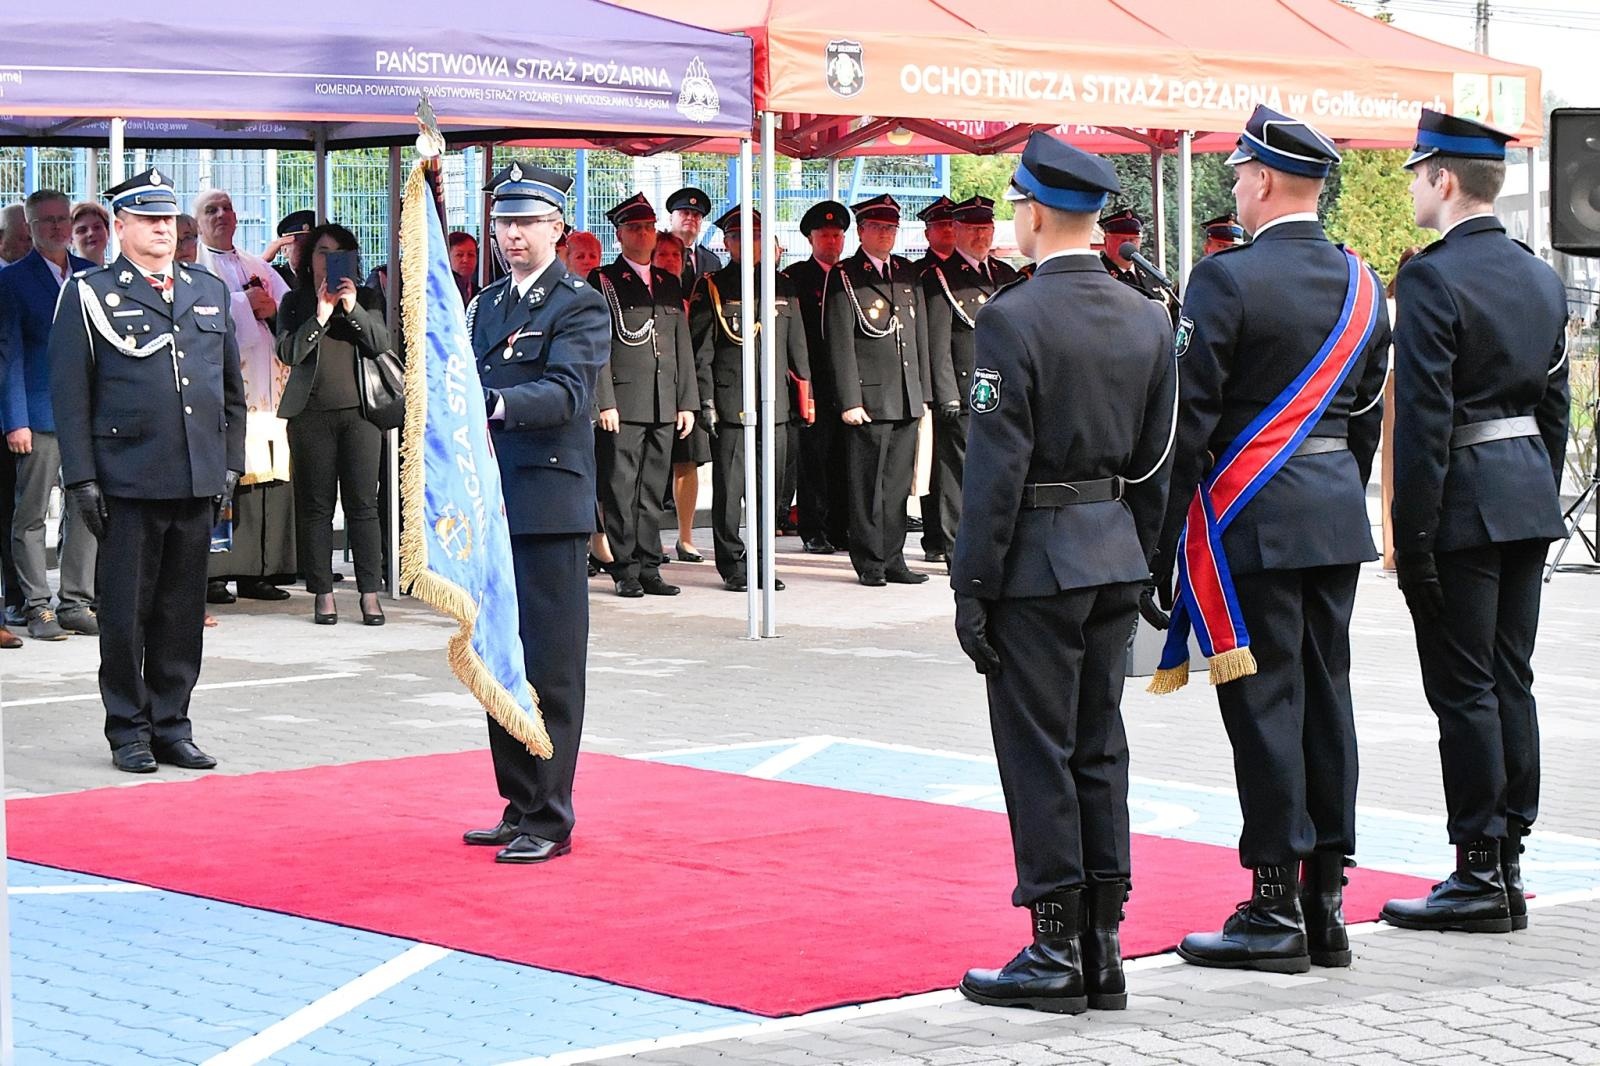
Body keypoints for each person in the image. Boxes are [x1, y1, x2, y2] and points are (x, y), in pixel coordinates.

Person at [1150, 105, 1390, 974]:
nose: (1236, 190)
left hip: (1249, 518)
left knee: (1264, 705)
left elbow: (1189, 422)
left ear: (1262, 180)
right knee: (1329, 699)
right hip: (1332, 515)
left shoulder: (1225, 281)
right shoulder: (1363, 283)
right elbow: (1362, 416)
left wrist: (1160, 540)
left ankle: (1273, 905)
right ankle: (1326, 901)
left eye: (1240, 176)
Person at [954, 131, 1176, 1016]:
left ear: (1037, 211)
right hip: (1114, 549)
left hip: (1039, 563)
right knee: (1099, 746)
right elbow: (1160, 457)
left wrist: (973, 585)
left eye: (1015, 203)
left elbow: (994, 470)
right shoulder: (1148, 314)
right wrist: (1145, 557)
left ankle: (1054, 946)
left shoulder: (1011, 317)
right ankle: (1105, 942)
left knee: (1038, 752)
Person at [1379, 110, 1571, 936]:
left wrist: (1410, 540)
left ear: (1444, 179)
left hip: (1462, 503)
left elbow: (1421, 422)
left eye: (1419, 171)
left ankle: (1478, 869)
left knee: (1463, 692)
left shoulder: (1430, 278)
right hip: (1526, 495)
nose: (1414, 184)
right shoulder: (1538, 275)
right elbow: (1556, 405)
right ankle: (1511, 856)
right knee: (1509, 680)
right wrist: (1536, 487)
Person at [49, 167, 245, 774]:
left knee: (182, 614)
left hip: (194, 475)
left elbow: (229, 390)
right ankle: (127, 730)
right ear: (122, 225)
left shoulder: (206, 290)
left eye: (169, 219)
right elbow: (70, 393)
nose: (163, 228)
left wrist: (230, 463)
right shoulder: (91, 293)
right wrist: (81, 476)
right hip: (127, 477)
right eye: (148, 218)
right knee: (126, 613)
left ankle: (172, 724)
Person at [461, 160, 608, 864]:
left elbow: (568, 392)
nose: (512, 235)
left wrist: (496, 405)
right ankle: (518, 800)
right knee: (499, 659)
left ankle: (549, 814)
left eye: (526, 222)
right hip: (493, 502)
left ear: (558, 227)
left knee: (549, 666)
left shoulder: (577, 303)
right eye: (503, 223)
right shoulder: (487, 305)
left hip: (547, 502)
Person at [689, 206, 812, 592]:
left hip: (774, 403)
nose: (750, 243)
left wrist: (805, 397)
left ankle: (762, 560)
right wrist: (706, 401)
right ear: (727, 243)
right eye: (740, 237)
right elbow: (702, 351)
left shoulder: (783, 285)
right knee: (730, 491)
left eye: (757, 236)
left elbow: (797, 348)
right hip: (732, 403)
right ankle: (733, 563)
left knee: (769, 490)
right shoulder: (712, 285)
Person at [274, 223, 390, 627]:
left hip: (361, 415)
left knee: (364, 505)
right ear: (310, 259)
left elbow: (381, 343)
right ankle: (323, 593)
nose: (330, 259)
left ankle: (369, 593)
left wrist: (351, 308)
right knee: (317, 507)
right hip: (311, 415)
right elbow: (288, 351)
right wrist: (320, 315)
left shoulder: (369, 296)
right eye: (323, 252)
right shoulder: (294, 300)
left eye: (340, 252)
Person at [0, 189, 97, 640]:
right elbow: (10, 355)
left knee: (87, 508)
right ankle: (37, 605)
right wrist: (14, 419)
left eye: (63, 219)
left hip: (89, 416)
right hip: (37, 416)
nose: (57, 228)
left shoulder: (92, 274)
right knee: (32, 513)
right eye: (46, 222)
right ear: (31, 228)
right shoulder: (12, 281)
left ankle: (77, 600)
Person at [590, 194, 697, 598]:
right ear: (619, 235)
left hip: (662, 401)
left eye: (650, 227)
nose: (644, 234)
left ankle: (650, 564)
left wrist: (686, 400)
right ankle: (624, 568)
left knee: (653, 488)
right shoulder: (603, 281)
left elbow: (680, 343)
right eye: (635, 228)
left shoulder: (669, 282)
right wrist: (604, 400)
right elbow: (597, 346)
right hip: (624, 401)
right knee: (621, 487)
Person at [194, 188, 296, 605]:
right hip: (228, 391)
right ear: (198, 222)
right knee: (233, 480)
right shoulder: (196, 268)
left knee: (269, 479)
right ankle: (218, 573)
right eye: (211, 210)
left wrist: (272, 309)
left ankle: (261, 570)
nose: (221, 216)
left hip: (269, 387)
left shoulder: (257, 264)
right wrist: (242, 303)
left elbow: (287, 308)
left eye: (227, 209)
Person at [824, 193, 933, 587]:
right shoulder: (846, 276)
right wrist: (850, 399)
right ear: (862, 230)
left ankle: (894, 557)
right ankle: (870, 561)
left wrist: (922, 390)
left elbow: (917, 335)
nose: (886, 235)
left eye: (891, 228)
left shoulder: (905, 273)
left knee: (897, 485)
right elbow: (840, 341)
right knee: (868, 486)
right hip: (870, 398)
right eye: (879, 227)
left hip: (904, 394)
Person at [921, 195, 1020, 565]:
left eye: (986, 228)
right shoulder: (940, 279)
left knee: (996, 469)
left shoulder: (1006, 276)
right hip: (964, 390)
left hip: (1004, 391)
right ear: (957, 230)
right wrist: (945, 392)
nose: (981, 235)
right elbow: (938, 342)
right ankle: (952, 545)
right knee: (956, 473)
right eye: (973, 228)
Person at [783, 200, 852, 557]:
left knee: (846, 456)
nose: (832, 240)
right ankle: (813, 527)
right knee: (814, 458)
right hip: (813, 380)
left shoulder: (852, 276)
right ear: (811, 238)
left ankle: (841, 526)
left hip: (850, 382)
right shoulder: (795, 278)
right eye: (824, 234)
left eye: (837, 234)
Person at [653, 231, 709, 563]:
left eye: (675, 256)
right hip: (653, 392)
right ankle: (646, 538)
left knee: (686, 464)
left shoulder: (694, 296)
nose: (670, 262)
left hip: (686, 391)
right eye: (663, 255)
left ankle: (685, 537)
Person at [1099, 209, 1179, 325]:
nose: (1128, 245)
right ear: (1106, 241)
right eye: (1122, 240)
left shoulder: (1150, 273)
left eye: (1133, 240)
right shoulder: (1099, 273)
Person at [666, 186, 721, 288]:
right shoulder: (654, 254)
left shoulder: (712, 261)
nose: (690, 218)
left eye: (696, 215)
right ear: (671, 218)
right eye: (685, 213)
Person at [263, 209, 315, 288]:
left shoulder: (330, 276)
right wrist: (263, 260)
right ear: (284, 249)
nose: (309, 252)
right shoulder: (274, 276)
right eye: (302, 247)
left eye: (314, 247)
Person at [913, 195, 957, 274]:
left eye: (952, 224)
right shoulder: (915, 272)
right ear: (927, 234)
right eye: (941, 225)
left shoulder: (974, 266)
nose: (948, 229)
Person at [69, 201, 111, 267]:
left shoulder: (122, 275)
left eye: (97, 227)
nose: (91, 233)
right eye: (82, 230)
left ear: (108, 231)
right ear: (70, 239)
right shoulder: (66, 276)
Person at [447, 230, 479, 306]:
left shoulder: (481, 296)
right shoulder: (437, 295)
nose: (465, 260)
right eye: (459, 255)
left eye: (471, 255)